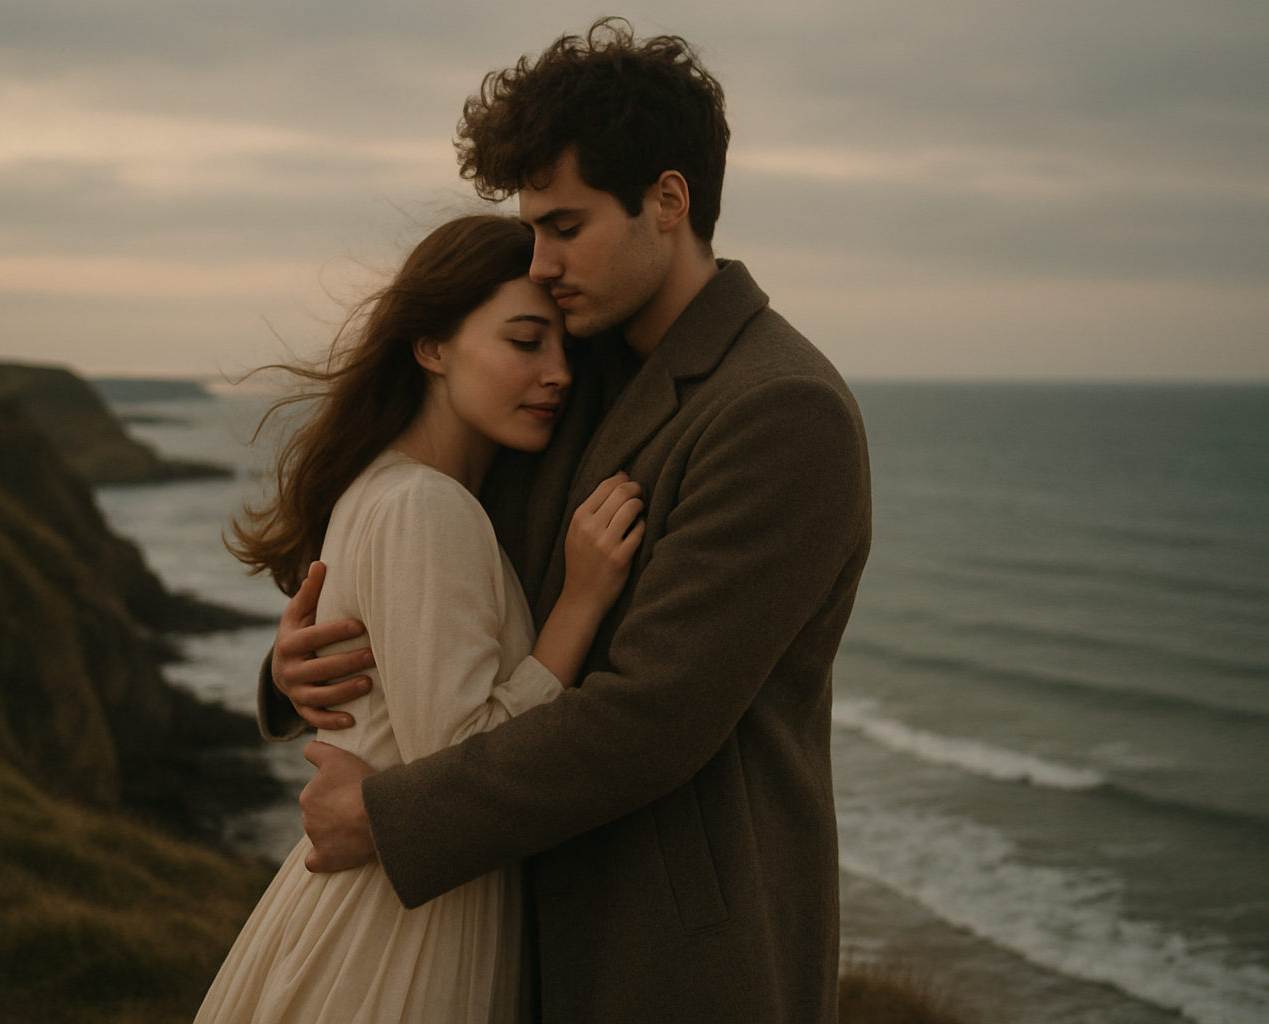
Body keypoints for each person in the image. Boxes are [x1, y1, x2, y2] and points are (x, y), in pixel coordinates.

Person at [264, 19, 872, 1023]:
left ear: (667, 202)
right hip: (507, 921)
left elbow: (649, 719)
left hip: (668, 950)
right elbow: (436, 549)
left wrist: (389, 815)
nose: (540, 261)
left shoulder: (783, 410)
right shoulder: (563, 365)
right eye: (533, 227)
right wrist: (305, 661)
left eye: (565, 225)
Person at [194, 215, 644, 1023]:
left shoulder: (386, 487)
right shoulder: (426, 506)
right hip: (399, 935)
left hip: (383, 903)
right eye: (524, 342)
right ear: (432, 347)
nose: (559, 374)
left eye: (564, 349)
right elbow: (463, 758)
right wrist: (578, 607)